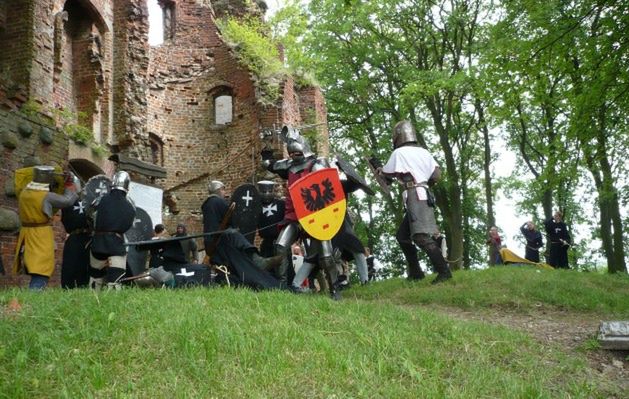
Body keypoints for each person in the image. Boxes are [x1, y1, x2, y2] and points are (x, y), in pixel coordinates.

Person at [262, 133, 343, 298]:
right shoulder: (288, 166)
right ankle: (283, 285)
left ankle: (335, 289)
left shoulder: (316, 163)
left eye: (296, 153)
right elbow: (269, 165)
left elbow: (328, 184)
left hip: (317, 215)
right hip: (294, 216)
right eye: (290, 154)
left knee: (326, 256)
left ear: (304, 148)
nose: (293, 156)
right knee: (280, 246)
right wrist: (267, 146)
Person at [379, 120, 453, 284]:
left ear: (398, 136)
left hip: (415, 196)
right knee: (402, 236)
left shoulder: (399, 153)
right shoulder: (424, 152)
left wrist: (380, 171)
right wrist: (423, 182)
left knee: (420, 237)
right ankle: (416, 272)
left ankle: (444, 272)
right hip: (423, 193)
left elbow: (388, 173)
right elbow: (436, 175)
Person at [201, 180, 280, 289]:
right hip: (220, 241)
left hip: (212, 241)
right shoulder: (218, 202)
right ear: (219, 190)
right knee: (235, 235)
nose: (225, 193)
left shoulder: (207, 204)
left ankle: (255, 259)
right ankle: (255, 259)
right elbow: (234, 219)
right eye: (223, 190)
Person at [13, 166, 79, 289]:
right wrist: (69, 184)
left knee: (35, 266)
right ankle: (34, 298)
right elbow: (68, 201)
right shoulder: (46, 196)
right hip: (41, 234)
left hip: (27, 233)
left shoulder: (24, 192)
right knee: (42, 269)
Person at [88, 171, 136, 290]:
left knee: (95, 278)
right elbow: (128, 224)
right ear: (127, 187)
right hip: (116, 244)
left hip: (98, 243)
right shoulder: (130, 205)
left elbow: (89, 215)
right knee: (115, 280)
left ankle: (93, 300)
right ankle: (112, 305)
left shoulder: (100, 199)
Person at [60, 194, 91, 289]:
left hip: (89, 238)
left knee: (86, 267)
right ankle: (68, 289)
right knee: (70, 267)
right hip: (74, 238)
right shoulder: (67, 201)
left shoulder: (90, 199)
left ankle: (84, 287)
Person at [256, 180, 285, 257]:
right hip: (266, 243)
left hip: (282, 241)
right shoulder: (256, 207)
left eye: (269, 191)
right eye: (264, 191)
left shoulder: (281, 204)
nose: (267, 194)